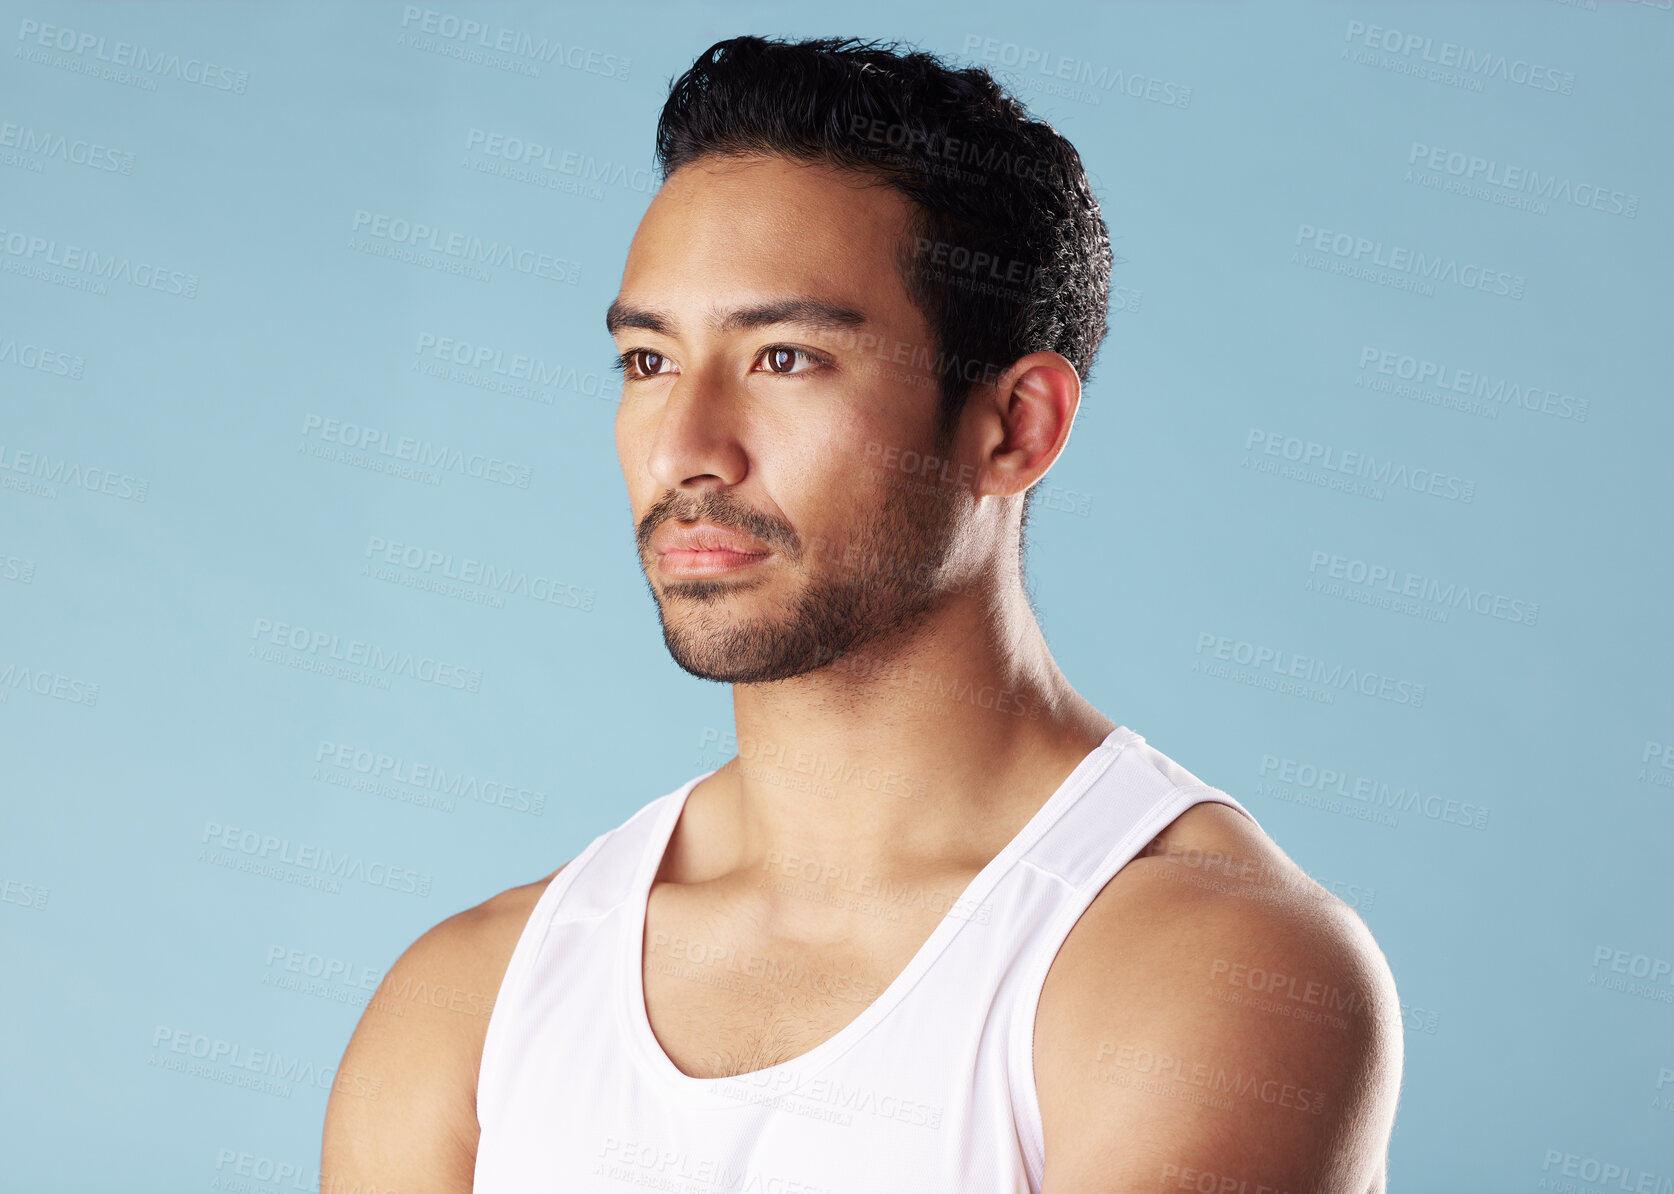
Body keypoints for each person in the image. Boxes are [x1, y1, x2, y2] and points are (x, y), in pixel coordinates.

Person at [323, 34, 1402, 1193]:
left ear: (1016, 428)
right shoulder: (475, 1001)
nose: (686, 450)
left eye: (784, 357)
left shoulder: (1205, 963)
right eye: (647, 362)